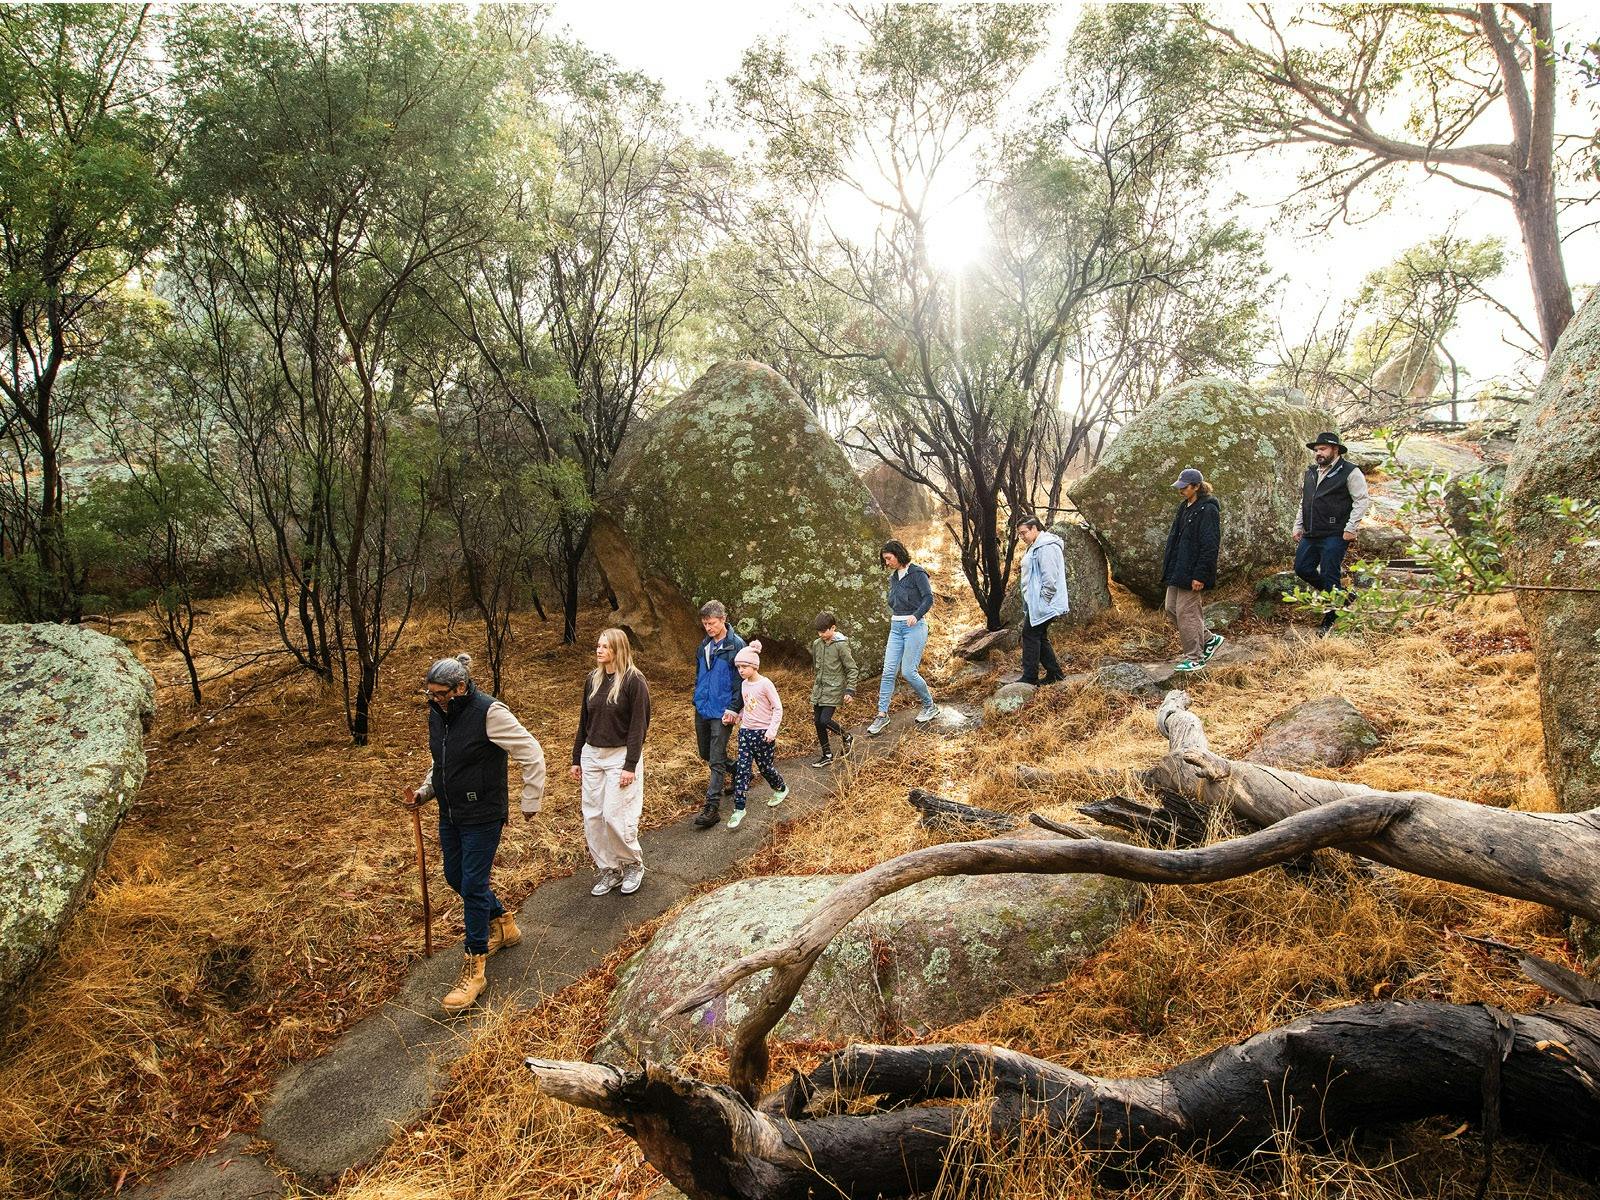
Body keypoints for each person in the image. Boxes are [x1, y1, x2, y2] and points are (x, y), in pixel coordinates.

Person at [406, 652, 547, 1014]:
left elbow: (531, 752)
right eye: (431, 694)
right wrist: (426, 790)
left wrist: (530, 798)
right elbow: (442, 759)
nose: (435, 700)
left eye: (441, 694)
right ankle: (503, 924)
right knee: (455, 875)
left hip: (482, 812)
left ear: (461, 687)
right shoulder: (439, 714)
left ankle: (475, 967)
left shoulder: (490, 712)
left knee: (471, 883)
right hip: (451, 811)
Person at [569, 627, 652, 897]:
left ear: (618, 649)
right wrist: (576, 757)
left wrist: (630, 765)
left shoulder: (634, 681)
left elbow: (639, 726)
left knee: (615, 815)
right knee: (593, 817)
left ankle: (632, 864)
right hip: (593, 754)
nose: (599, 650)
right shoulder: (592, 679)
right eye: (598, 645)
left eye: (605, 646)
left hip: (620, 756)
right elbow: (584, 721)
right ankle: (609, 869)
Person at [1294, 431, 1370, 635]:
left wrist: (1351, 527)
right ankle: (1341, 596)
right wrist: (1298, 525)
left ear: (1335, 450)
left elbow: (1361, 500)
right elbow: (1305, 501)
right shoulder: (1310, 472)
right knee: (1302, 568)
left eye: (1323, 449)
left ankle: (1331, 616)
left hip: (1335, 533)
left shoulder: (1350, 471)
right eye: (1316, 450)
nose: (1318, 453)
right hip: (1311, 532)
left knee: (1329, 573)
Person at [867, 540, 938, 736]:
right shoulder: (894, 577)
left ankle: (929, 705)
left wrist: (916, 615)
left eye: (889, 558)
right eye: (885, 560)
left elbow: (928, 598)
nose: (887, 562)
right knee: (888, 671)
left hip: (914, 627)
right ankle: (882, 715)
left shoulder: (917, 573)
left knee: (908, 671)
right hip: (896, 627)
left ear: (898, 554)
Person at [1160, 468, 1224, 673]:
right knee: (1171, 608)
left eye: (1184, 487)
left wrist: (1200, 575)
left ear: (1196, 487)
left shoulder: (1208, 510)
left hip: (1193, 571)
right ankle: (1209, 640)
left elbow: (1210, 545)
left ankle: (1194, 658)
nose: (1180, 491)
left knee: (1187, 613)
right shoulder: (1184, 506)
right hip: (1178, 568)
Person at [691, 600, 745, 830]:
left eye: (711, 623)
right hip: (703, 707)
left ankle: (712, 807)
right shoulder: (704, 645)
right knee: (706, 752)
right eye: (705, 624)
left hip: (724, 710)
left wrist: (734, 708)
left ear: (723, 619)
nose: (708, 628)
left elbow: (743, 681)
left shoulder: (737, 646)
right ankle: (740, 771)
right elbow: (700, 674)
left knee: (715, 756)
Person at [726, 640, 788, 829]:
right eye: (738, 667)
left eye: (744, 666)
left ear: (754, 666)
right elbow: (748, 704)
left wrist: (771, 731)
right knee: (743, 770)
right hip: (746, 732)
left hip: (763, 734)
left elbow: (777, 709)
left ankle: (781, 788)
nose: (741, 670)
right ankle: (739, 808)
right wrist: (740, 716)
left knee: (765, 768)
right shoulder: (744, 685)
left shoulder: (765, 684)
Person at [1013, 516, 1069, 685]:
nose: (1021, 537)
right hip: (1037, 602)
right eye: (1020, 534)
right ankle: (1055, 674)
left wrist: (1043, 600)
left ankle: (1030, 677)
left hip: (1044, 603)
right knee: (1039, 635)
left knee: (1030, 634)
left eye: (1024, 533)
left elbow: (1050, 578)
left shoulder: (1047, 547)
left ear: (1035, 528)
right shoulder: (1035, 546)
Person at [809, 610, 859, 766]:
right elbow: (817, 666)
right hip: (819, 689)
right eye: (819, 631)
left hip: (835, 689)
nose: (821, 634)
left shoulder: (841, 646)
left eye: (824, 631)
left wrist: (850, 690)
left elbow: (852, 669)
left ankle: (846, 736)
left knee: (825, 720)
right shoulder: (817, 644)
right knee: (817, 721)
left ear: (833, 628)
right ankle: (827, 755)